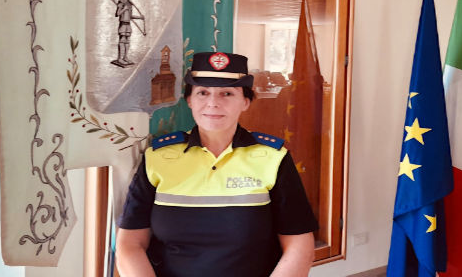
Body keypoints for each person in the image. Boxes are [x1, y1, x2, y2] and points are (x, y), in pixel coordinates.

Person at [116, 52, 318, 277]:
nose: (213, 103)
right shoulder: (158, 157)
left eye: (227, 93)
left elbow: (299, 245)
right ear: (189, 100)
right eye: (203, 93)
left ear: (245, 102)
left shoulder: (273, 158)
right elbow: (130, 244)